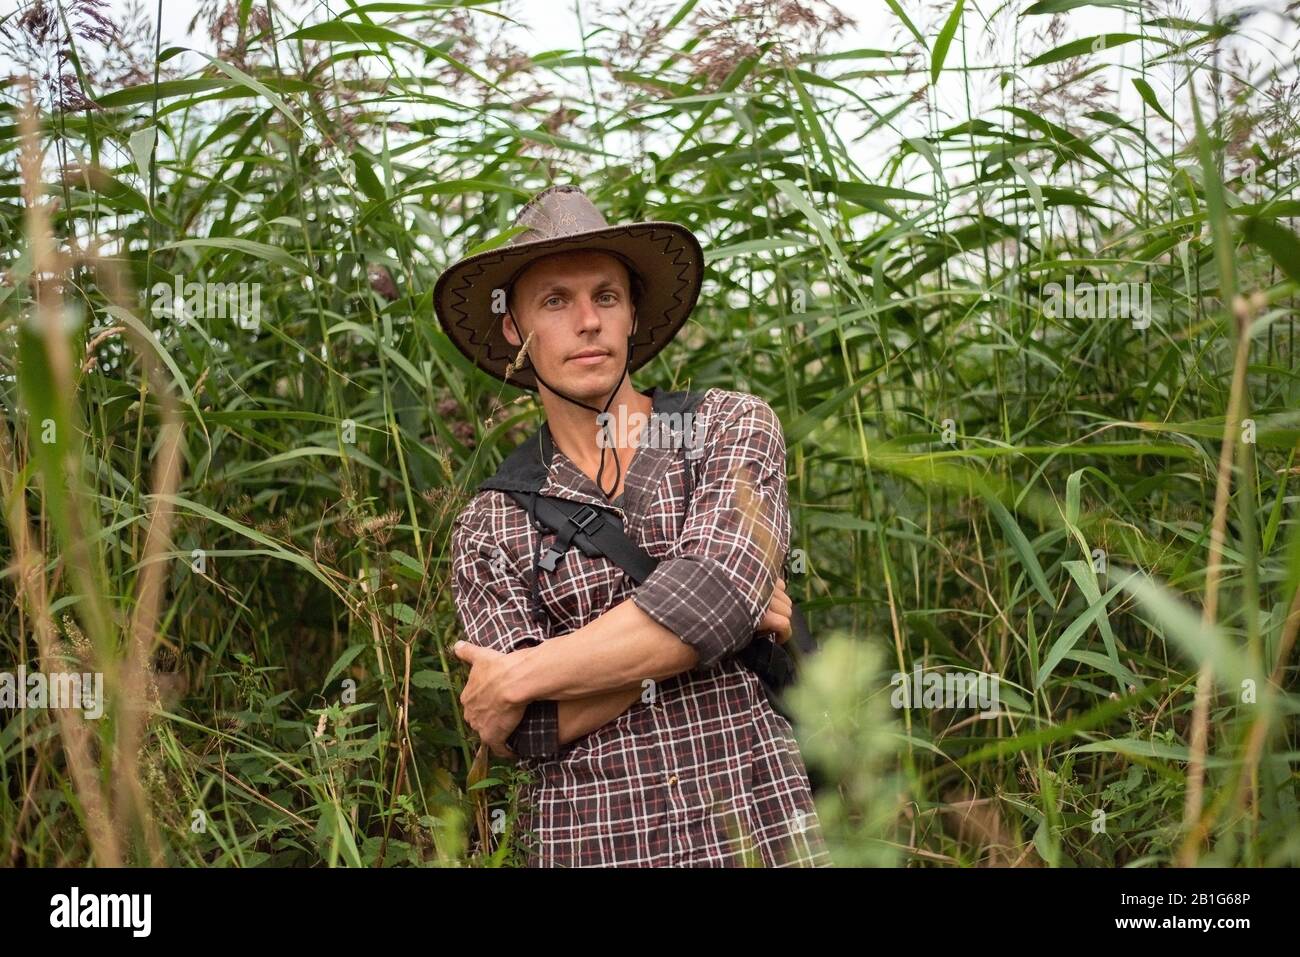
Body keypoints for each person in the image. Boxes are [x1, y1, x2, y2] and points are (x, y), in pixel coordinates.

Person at [433, 183, 831, 867]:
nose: (587, 321)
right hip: (598, 842)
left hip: (759, 825)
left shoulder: (727, 427)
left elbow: (713, 592)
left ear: (631, 315)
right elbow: (529, 731)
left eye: (606, 297)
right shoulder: (488, 524)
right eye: (555, 301)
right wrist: (722, 625)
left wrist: (522, 673)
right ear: (513, 327)